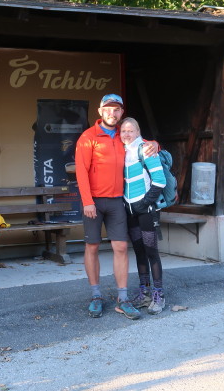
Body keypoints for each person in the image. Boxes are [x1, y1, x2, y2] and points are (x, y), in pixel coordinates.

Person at [75, 94, 157, 320]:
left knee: (120, 247)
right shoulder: (88, 137)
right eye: (108, 109)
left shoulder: (124, 135)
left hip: (117, 201)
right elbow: (81, 171)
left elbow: (143, 143)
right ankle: (96, 296)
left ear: (121, 113)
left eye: (117, 110)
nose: (113, 113)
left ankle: (122, 298)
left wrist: (154, 144)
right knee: (92, 247)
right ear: (100, 111)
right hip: (94, 202)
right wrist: (87, 201)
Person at [120, 117, 167, 315]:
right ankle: (144, 292)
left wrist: (145, 202)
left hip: (146, 210)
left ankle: (159, 295)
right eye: (123, 131)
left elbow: (160, 181)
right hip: (130, 210)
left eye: (131, 130)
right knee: (139, 251)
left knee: (151, 252)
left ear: (138, 132)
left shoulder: (146, 149)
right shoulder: (123, 152)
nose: (127, 134)